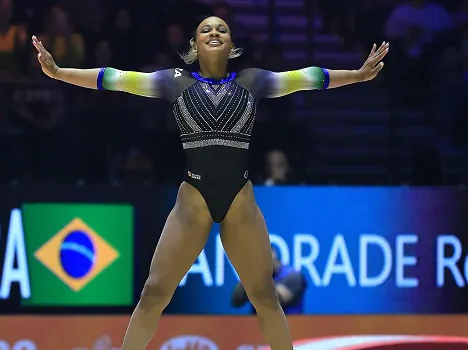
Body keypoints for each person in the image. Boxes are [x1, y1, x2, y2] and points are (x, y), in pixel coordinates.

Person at [32, 16, 389, 350]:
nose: (214, 32)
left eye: (221, 29)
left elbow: (308, 77)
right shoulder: (174, 82)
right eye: (206, 30)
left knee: (264, 295)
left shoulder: (253, 81)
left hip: (240, 202)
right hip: (193, 202)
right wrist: (60, 72)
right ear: (193, 46)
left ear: (232, 44)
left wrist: (357, 76)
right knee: (154, 293)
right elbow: (116, 79)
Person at [232, 247, 306, 314]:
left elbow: (273, 302)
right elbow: (236, 301)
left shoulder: (293, 277)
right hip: (258, 326)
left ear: (273, 253)